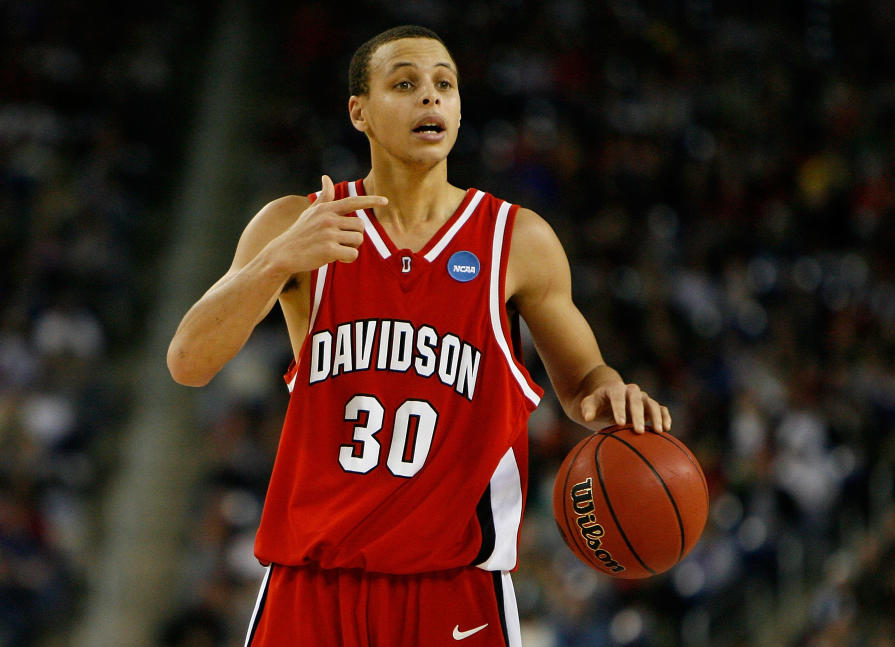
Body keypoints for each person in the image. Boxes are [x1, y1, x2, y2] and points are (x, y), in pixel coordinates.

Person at [167, 25, 671, 647]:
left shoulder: (517, 241)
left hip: (454, 589)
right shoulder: (298, 223)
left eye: (444, 85)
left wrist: (610, 394)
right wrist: (274, 262)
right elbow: (187, 362)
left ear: (459, 109)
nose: (429, 98)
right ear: (360, 112)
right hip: (313, 581)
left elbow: (585, 383)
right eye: (404, 83)